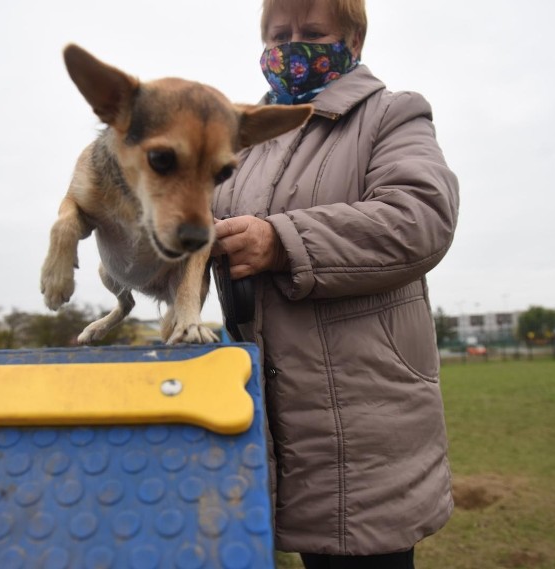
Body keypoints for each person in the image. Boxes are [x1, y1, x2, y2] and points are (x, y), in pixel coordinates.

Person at [211, 0, 460, 567]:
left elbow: (419, 218)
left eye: (313, 31)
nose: (291, 45)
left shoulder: (393, 115)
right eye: (278, 33)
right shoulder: (241, 139)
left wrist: (279, 241)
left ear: (354, 38)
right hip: (264, 415)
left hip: (363, 416)